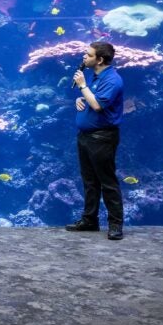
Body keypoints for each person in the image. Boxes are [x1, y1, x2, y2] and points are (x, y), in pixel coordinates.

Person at [66, 41, 125, 241]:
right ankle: (89, 220)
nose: (84, 57)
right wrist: (80, 98)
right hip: (85, 136)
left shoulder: (112, 80)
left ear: (99, 60)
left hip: (102, 137)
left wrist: (82, 85)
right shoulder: (95, 76)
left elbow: (98, 105)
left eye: (89, 55)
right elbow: (91, 99)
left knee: (107, 182)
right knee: (89, 181)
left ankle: (115, 224)